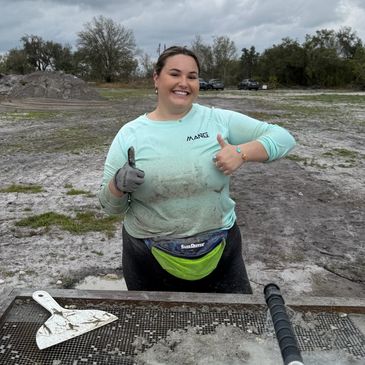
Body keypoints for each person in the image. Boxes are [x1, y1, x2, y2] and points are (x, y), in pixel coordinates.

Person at [98, 46, 296, 294]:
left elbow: (284, 138)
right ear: (156, 78)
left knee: (237, 326)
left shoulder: (217, 120)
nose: (184, 83)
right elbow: (109, 207)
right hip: (147, 256)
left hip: (221, 250)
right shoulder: (130, 134)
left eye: (192, 76)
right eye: (175, 74)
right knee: (154, 330)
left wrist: (241, 152)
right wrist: (117, 185)